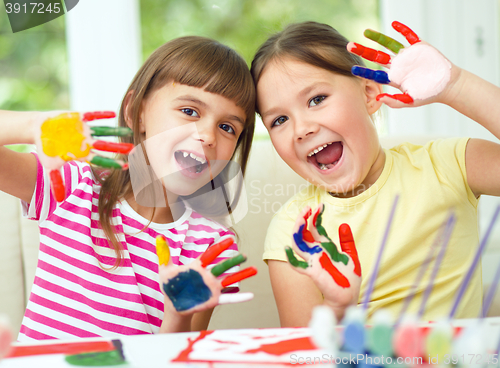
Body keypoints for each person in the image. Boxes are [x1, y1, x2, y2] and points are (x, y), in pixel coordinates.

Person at [0, 35, 256, 340]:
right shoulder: (72, 186)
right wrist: (33, 126)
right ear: (137, 111)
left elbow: (175, 357)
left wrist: (177, 315)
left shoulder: (209, 244)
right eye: (190, 111)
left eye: (227, 127)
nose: (207, 136)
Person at [250, 21, 500, 327]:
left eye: (317, 99)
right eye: (279, 120)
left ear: (369, 94)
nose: (302, 129)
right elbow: (304, 351)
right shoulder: (294, 230)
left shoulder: (447, 164)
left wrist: (458, 86)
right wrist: (337, 307)